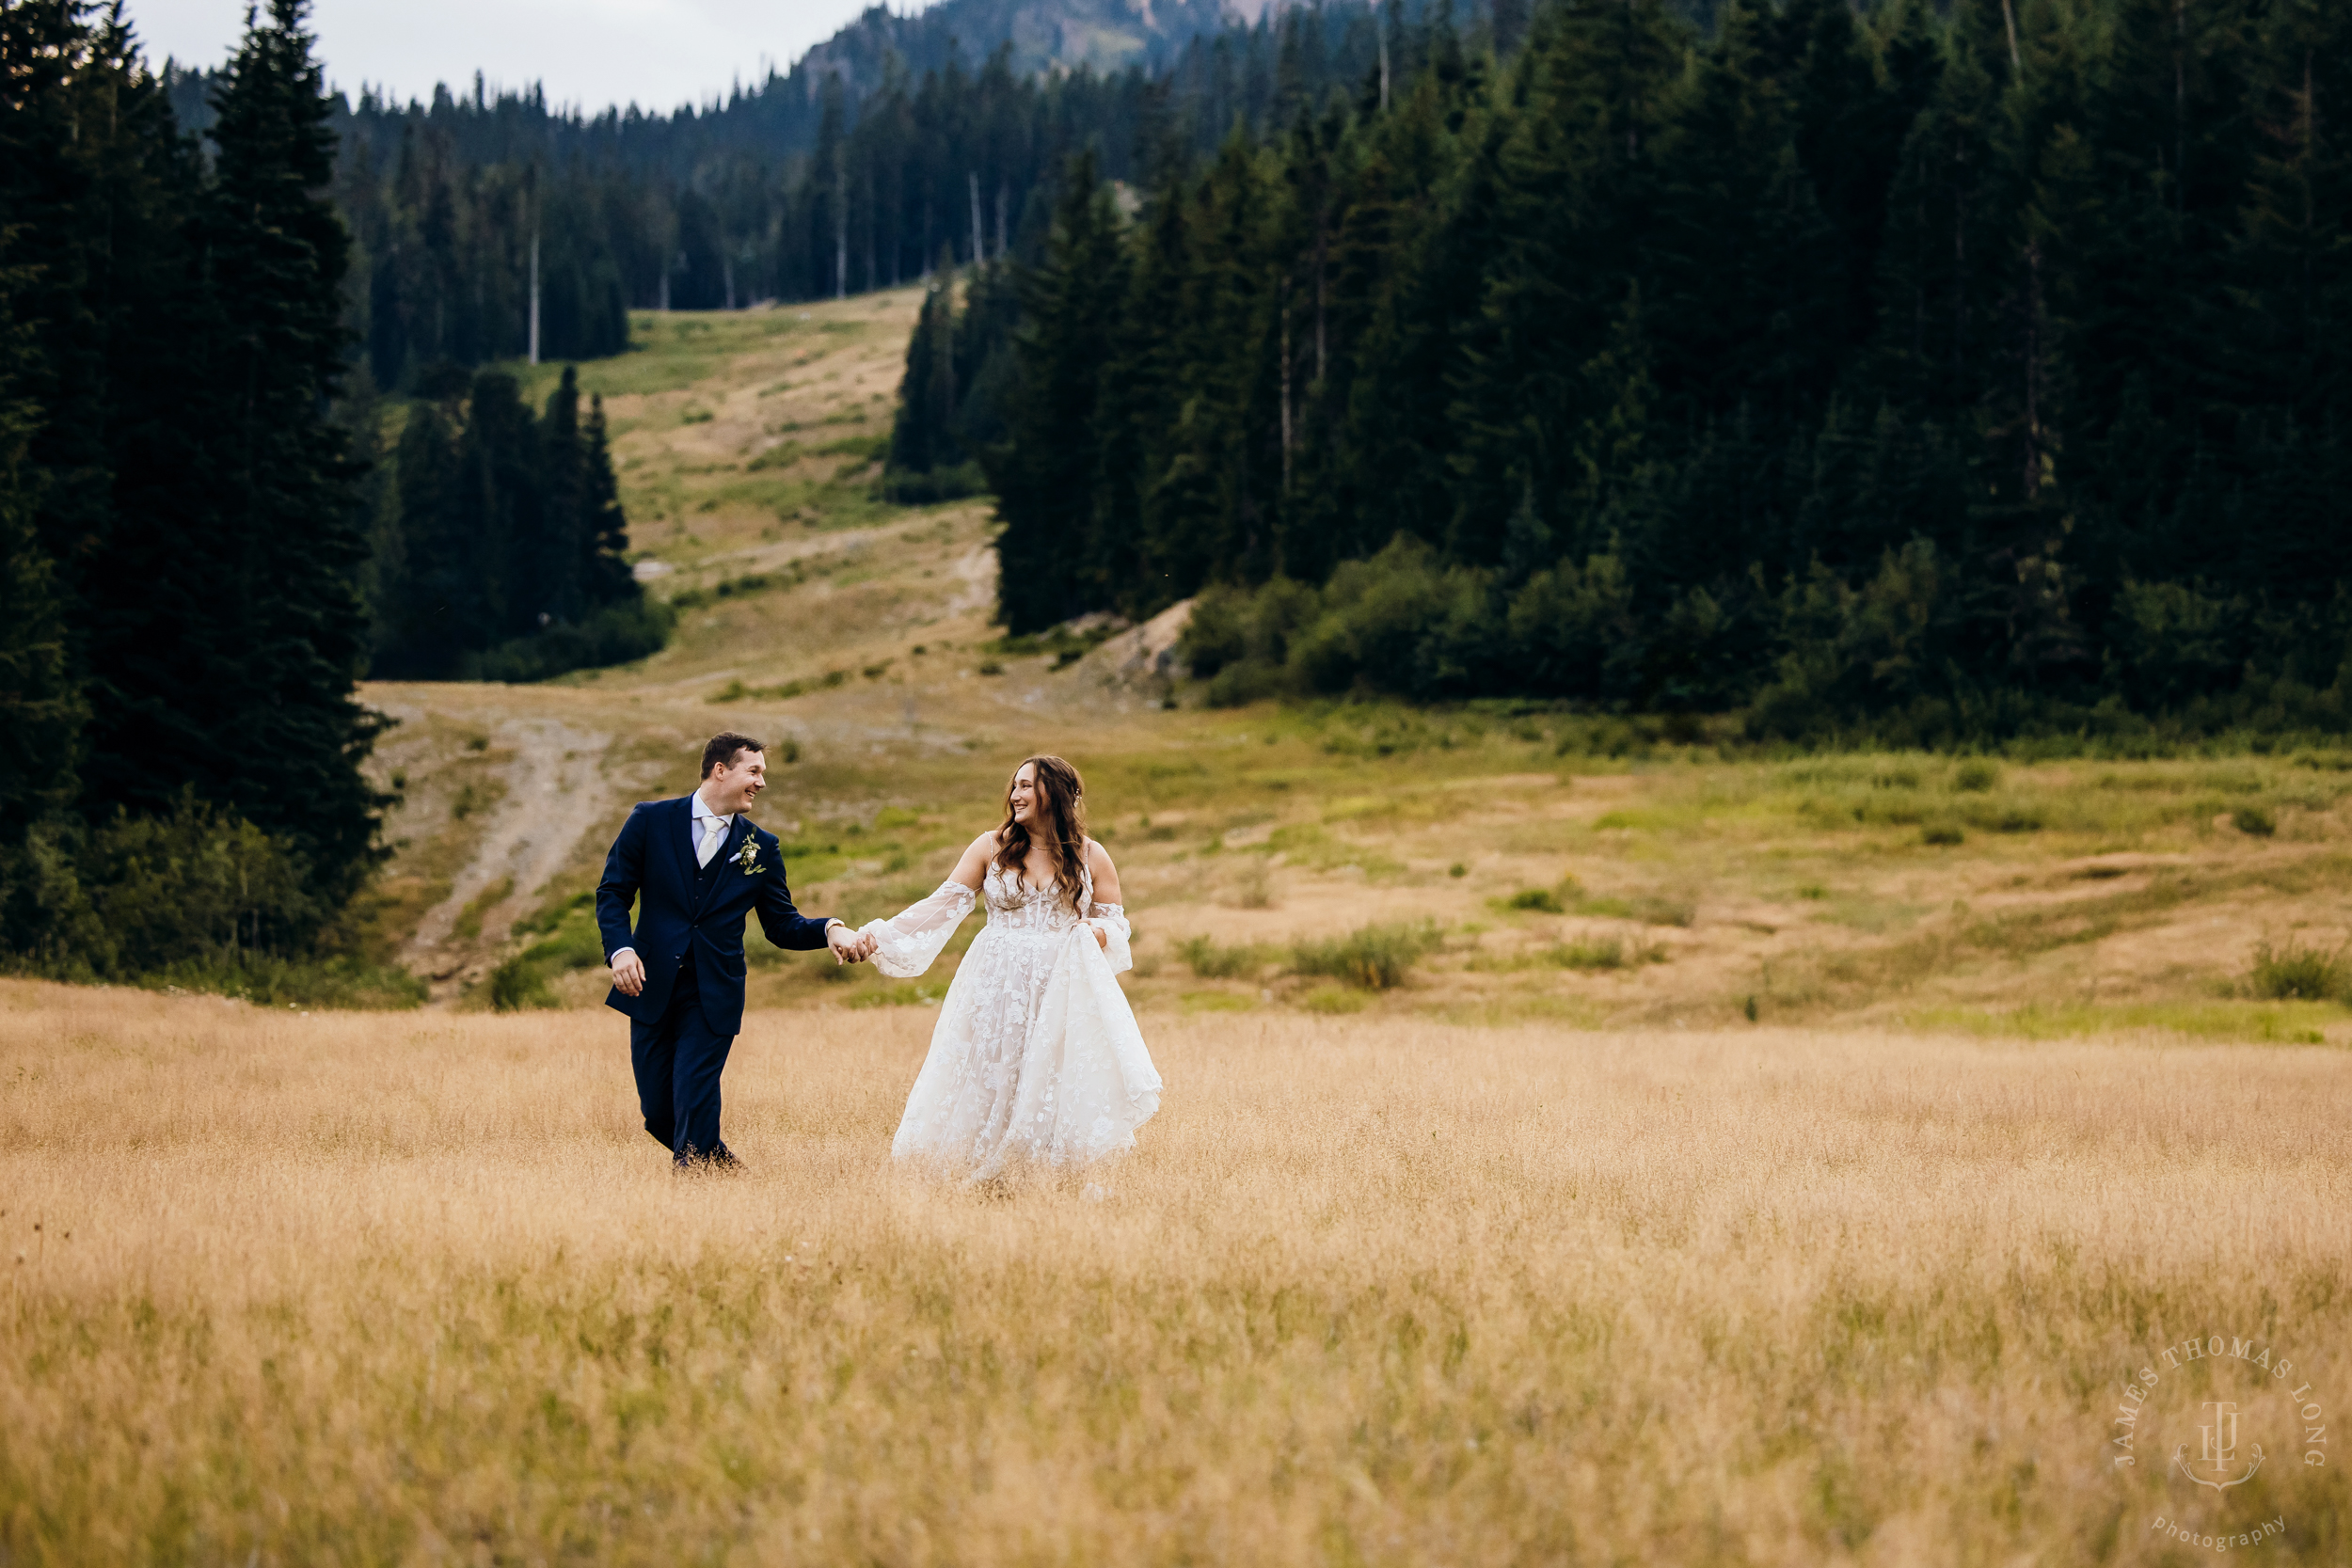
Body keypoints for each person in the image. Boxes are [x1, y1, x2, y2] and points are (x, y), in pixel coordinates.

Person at [855, 754, 1162, 1180]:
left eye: (1025, 786)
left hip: (1062, 982)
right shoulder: (990, 846)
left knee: (1051, 1072)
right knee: (990, 1070)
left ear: (1053, 793)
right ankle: (980, 1169)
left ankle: (1048, 1171)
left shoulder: (1092, 855)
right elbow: (941, 906)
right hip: (997, 982)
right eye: (1013, 786)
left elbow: (1116, 922)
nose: (1014, 795)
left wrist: (1094, 933)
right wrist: (877, 938)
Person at [596, 731, 866, 1168]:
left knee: (694, 1097)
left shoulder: (761, 846)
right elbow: (613, 893)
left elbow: (782, 925)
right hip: (650, 984)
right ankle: (729, 1178)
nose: (761, 783)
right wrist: (620, 949)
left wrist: (830, 928)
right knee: (659, 1115)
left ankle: (695, 1203)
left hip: (713, 994)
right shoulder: (649, 820)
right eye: (754, 771)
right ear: (720, 770)